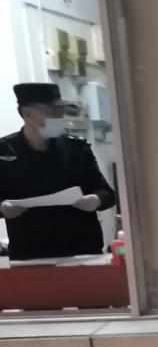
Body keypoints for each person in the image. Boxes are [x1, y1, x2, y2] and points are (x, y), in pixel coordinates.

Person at [0, 83, 115, 260]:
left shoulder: (76, 148)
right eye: (53, 111)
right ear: (27, 113)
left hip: (81, 249)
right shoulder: (4, 151)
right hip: (30, 251)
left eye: (61, 111)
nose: (59, 117)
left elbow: (107, 193)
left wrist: (95, 200)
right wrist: (3, 207)